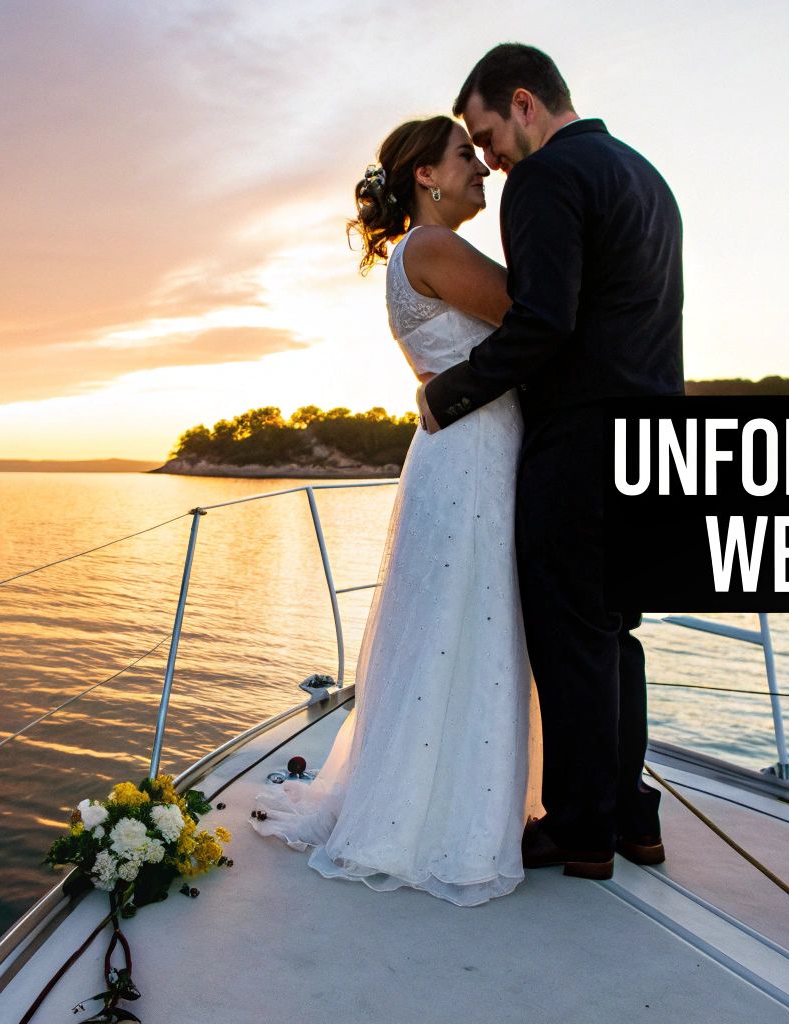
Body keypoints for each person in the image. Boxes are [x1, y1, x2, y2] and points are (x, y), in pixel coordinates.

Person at [248, 114, 543, 906]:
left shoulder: (415, 253)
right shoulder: (436, 248)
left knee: (452, 623)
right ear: (426, 176)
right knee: (470, 619)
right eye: (464, 156)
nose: (481, 167)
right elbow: (536, 314)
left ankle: (435, 797)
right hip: (476, 453)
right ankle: (448, 816)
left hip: (459, 451)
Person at [417, 43, 685, 879]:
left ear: (524, 103)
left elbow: (543, 322)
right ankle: (634, 817)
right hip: (653, 445)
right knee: (616, 637)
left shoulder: (545, 179)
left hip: (580, 445)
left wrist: (448, 394)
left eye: (488, 133)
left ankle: (579, 830)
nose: (491, 158)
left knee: (571, 639)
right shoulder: (644, 177)